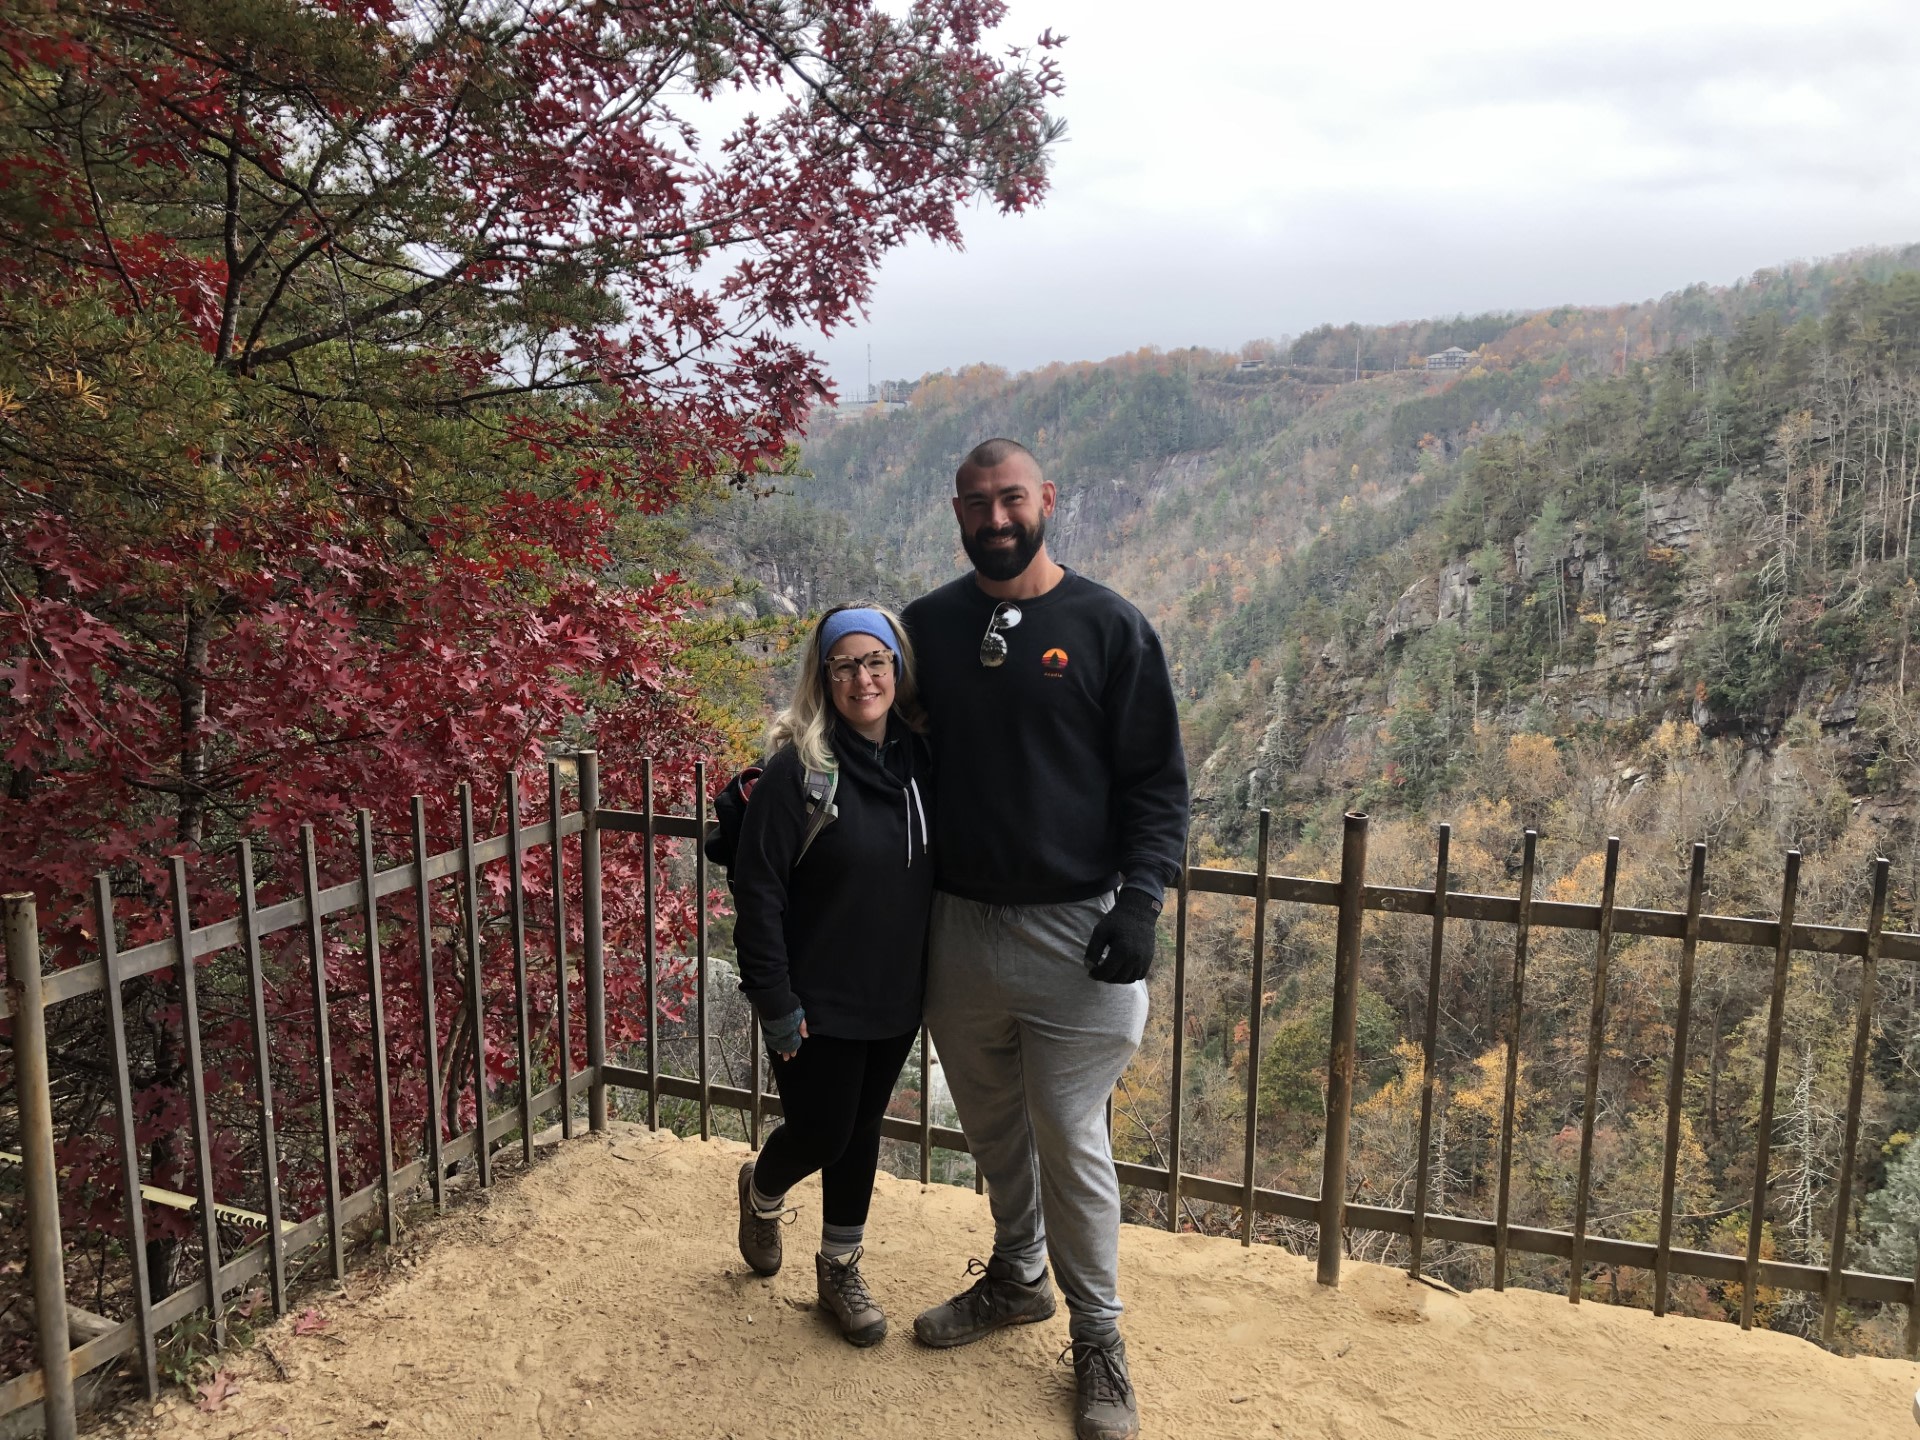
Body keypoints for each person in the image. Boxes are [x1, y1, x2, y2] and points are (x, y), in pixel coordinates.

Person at [903, 438, 1188, 1440]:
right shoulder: (926, 628)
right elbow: (868, 735)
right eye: (976, 503)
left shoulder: (1110, 627)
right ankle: (1017, 1278)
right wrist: (772, 800)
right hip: (957, 925)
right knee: (992, 1131)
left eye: (1011, 498)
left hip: (1077, 932)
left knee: (1070, 1137)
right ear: (957, 512)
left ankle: (1099, 1339)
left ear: (1048, 500)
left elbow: (1156, 782)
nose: (996, 518)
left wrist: (1140, 902)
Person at [729, 603, 933, 1347]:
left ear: (897, 669)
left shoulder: (919, 763)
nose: (862, 678)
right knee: (821, 1132)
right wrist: (774, 1000)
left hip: (896, 993)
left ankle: (839, 1268)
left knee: (860, 1131)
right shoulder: (800, 774)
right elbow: (759, 893)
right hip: (815, 998)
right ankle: (762, 1189)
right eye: (844, 665)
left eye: (875, 661)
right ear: (824, 678)